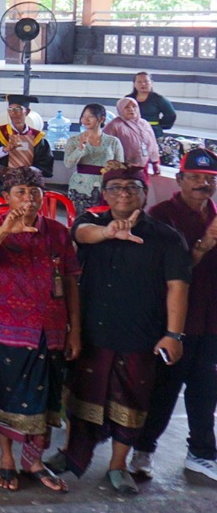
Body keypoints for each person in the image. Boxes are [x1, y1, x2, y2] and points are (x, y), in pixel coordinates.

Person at [51, 163, 191, 495]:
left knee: (132, 400)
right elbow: (79, 234)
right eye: (115, 187)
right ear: (104, 195)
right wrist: (108, 232)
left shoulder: (167, 237)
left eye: (132, 187)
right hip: (92, 332)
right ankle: (71, 454)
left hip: (140, 334)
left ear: (145, 194)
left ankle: (117, 465)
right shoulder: (91, 223)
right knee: (80, 396)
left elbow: (178, 287)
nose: (124, 192)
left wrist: (173, 334)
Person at [0, 165, 80, 493]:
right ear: (6, 197)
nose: (29, 199)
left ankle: (33, 459)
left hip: (53, 328)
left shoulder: (58, 232)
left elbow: (71, 282)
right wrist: (5, 230)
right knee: (8, 396)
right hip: (9, 328)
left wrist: (76, 331)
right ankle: (6, 459)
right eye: (20, 193)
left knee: (47, 399)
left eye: (34, 193)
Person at [135, 147, 217, 483]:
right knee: (163, 390)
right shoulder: (160, 216)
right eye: (195, 177)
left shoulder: (212, 214)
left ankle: (201, 453)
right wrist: (203, 245)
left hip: (211, 323)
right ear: (179, 179)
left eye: (209, 179)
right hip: (172, 324)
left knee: (206, 390)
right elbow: (163, 276)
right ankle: (143, 448)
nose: (202, 184)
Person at [0, 95, 54, 194]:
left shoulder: (37, 137)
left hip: (28, 187)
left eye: (18, 109)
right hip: (0, 186)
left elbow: (46, 164)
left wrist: (26, 170)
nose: (13, 113)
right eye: (10, 109)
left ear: (27, 112)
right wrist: (5, 150)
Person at [63, 103, 123, 209]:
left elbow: (120, 167)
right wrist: (80, 147)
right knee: (81, 219)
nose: (86, 120)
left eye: (90, 116)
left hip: (106, 185)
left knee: (104, 219)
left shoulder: (113, 141)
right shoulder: (73, 140)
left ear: (102, 119)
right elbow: (68, 164)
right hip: (80, 186)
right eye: (83, 116)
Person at [105, 96, 160, 175]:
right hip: (121, 168)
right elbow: (106, 146)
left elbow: (153, 144)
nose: (131, 109)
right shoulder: (114, 125)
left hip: (143, 165)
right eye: (127, 107)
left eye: (134, 106)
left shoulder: (144, 123)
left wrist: (155, 162)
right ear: (120, 110)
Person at [128, 72, 177, 139]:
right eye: (139, 82)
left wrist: (159, 125)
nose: (143, 84)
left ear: (151, 83)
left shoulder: (159, 99)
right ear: (134, 84)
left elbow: (171, 115)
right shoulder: (128, 99)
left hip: (153, 133)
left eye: (146, 81)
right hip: (132, 132)